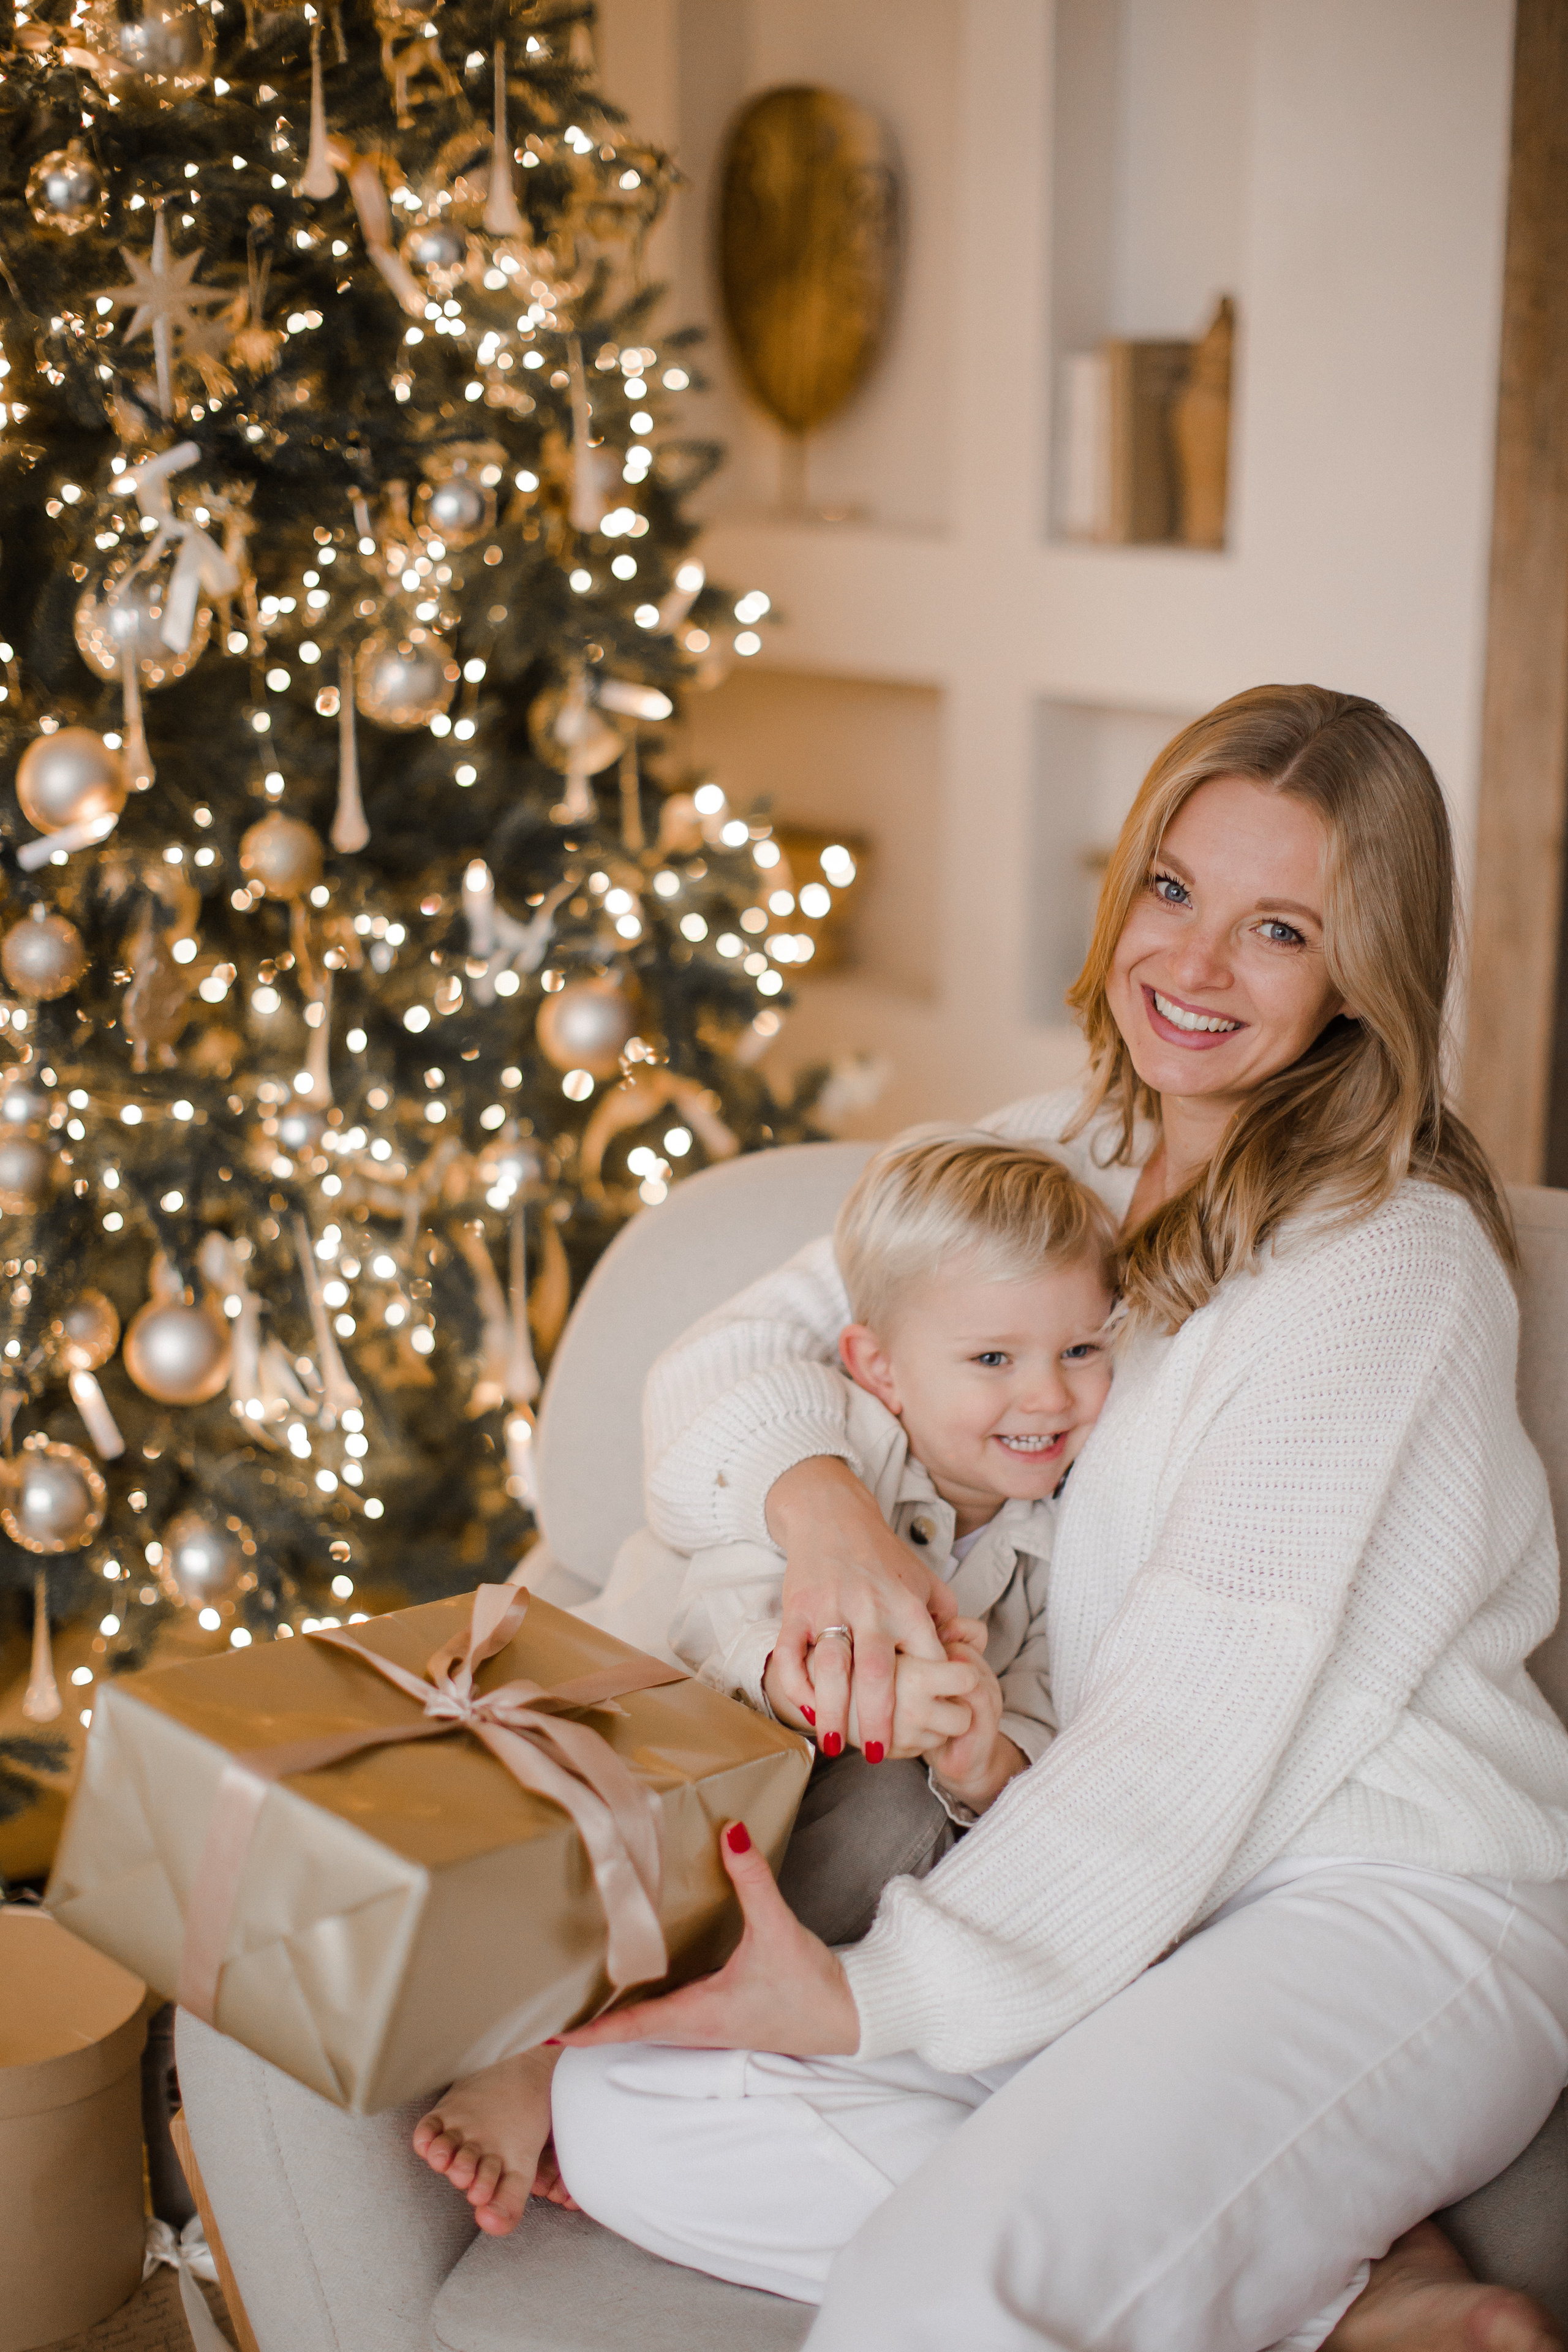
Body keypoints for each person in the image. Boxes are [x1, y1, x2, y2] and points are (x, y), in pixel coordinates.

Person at [427, 687, 1568, 2352]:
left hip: (1366, 1898)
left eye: (1278, 930)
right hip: (1107, 1889)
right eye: (1170, 889)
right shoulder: (1053, 1153)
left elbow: (1187, 1732)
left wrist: (876, 1992)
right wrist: (832, 1516)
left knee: (939, 2296)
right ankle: (1332, 2298)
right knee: (622, 2106)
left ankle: (1230, 2254)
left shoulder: (1386, 1265)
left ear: (1360, 975)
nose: (1193, 964)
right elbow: (731, 1359)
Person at [584, 1128, 1118, 1944]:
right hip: (663, 1722)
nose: (1049, 1396)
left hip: (835, 1801)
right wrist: (815, 1686)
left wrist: (985, 1758)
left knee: (901, 1811)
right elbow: (714, 1615)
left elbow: (1045, 1693)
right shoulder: (823, 1438)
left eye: (1080, 1349)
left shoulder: (1065, 1534)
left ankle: (753, 1972)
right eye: (992, 1359)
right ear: (880, 1368)